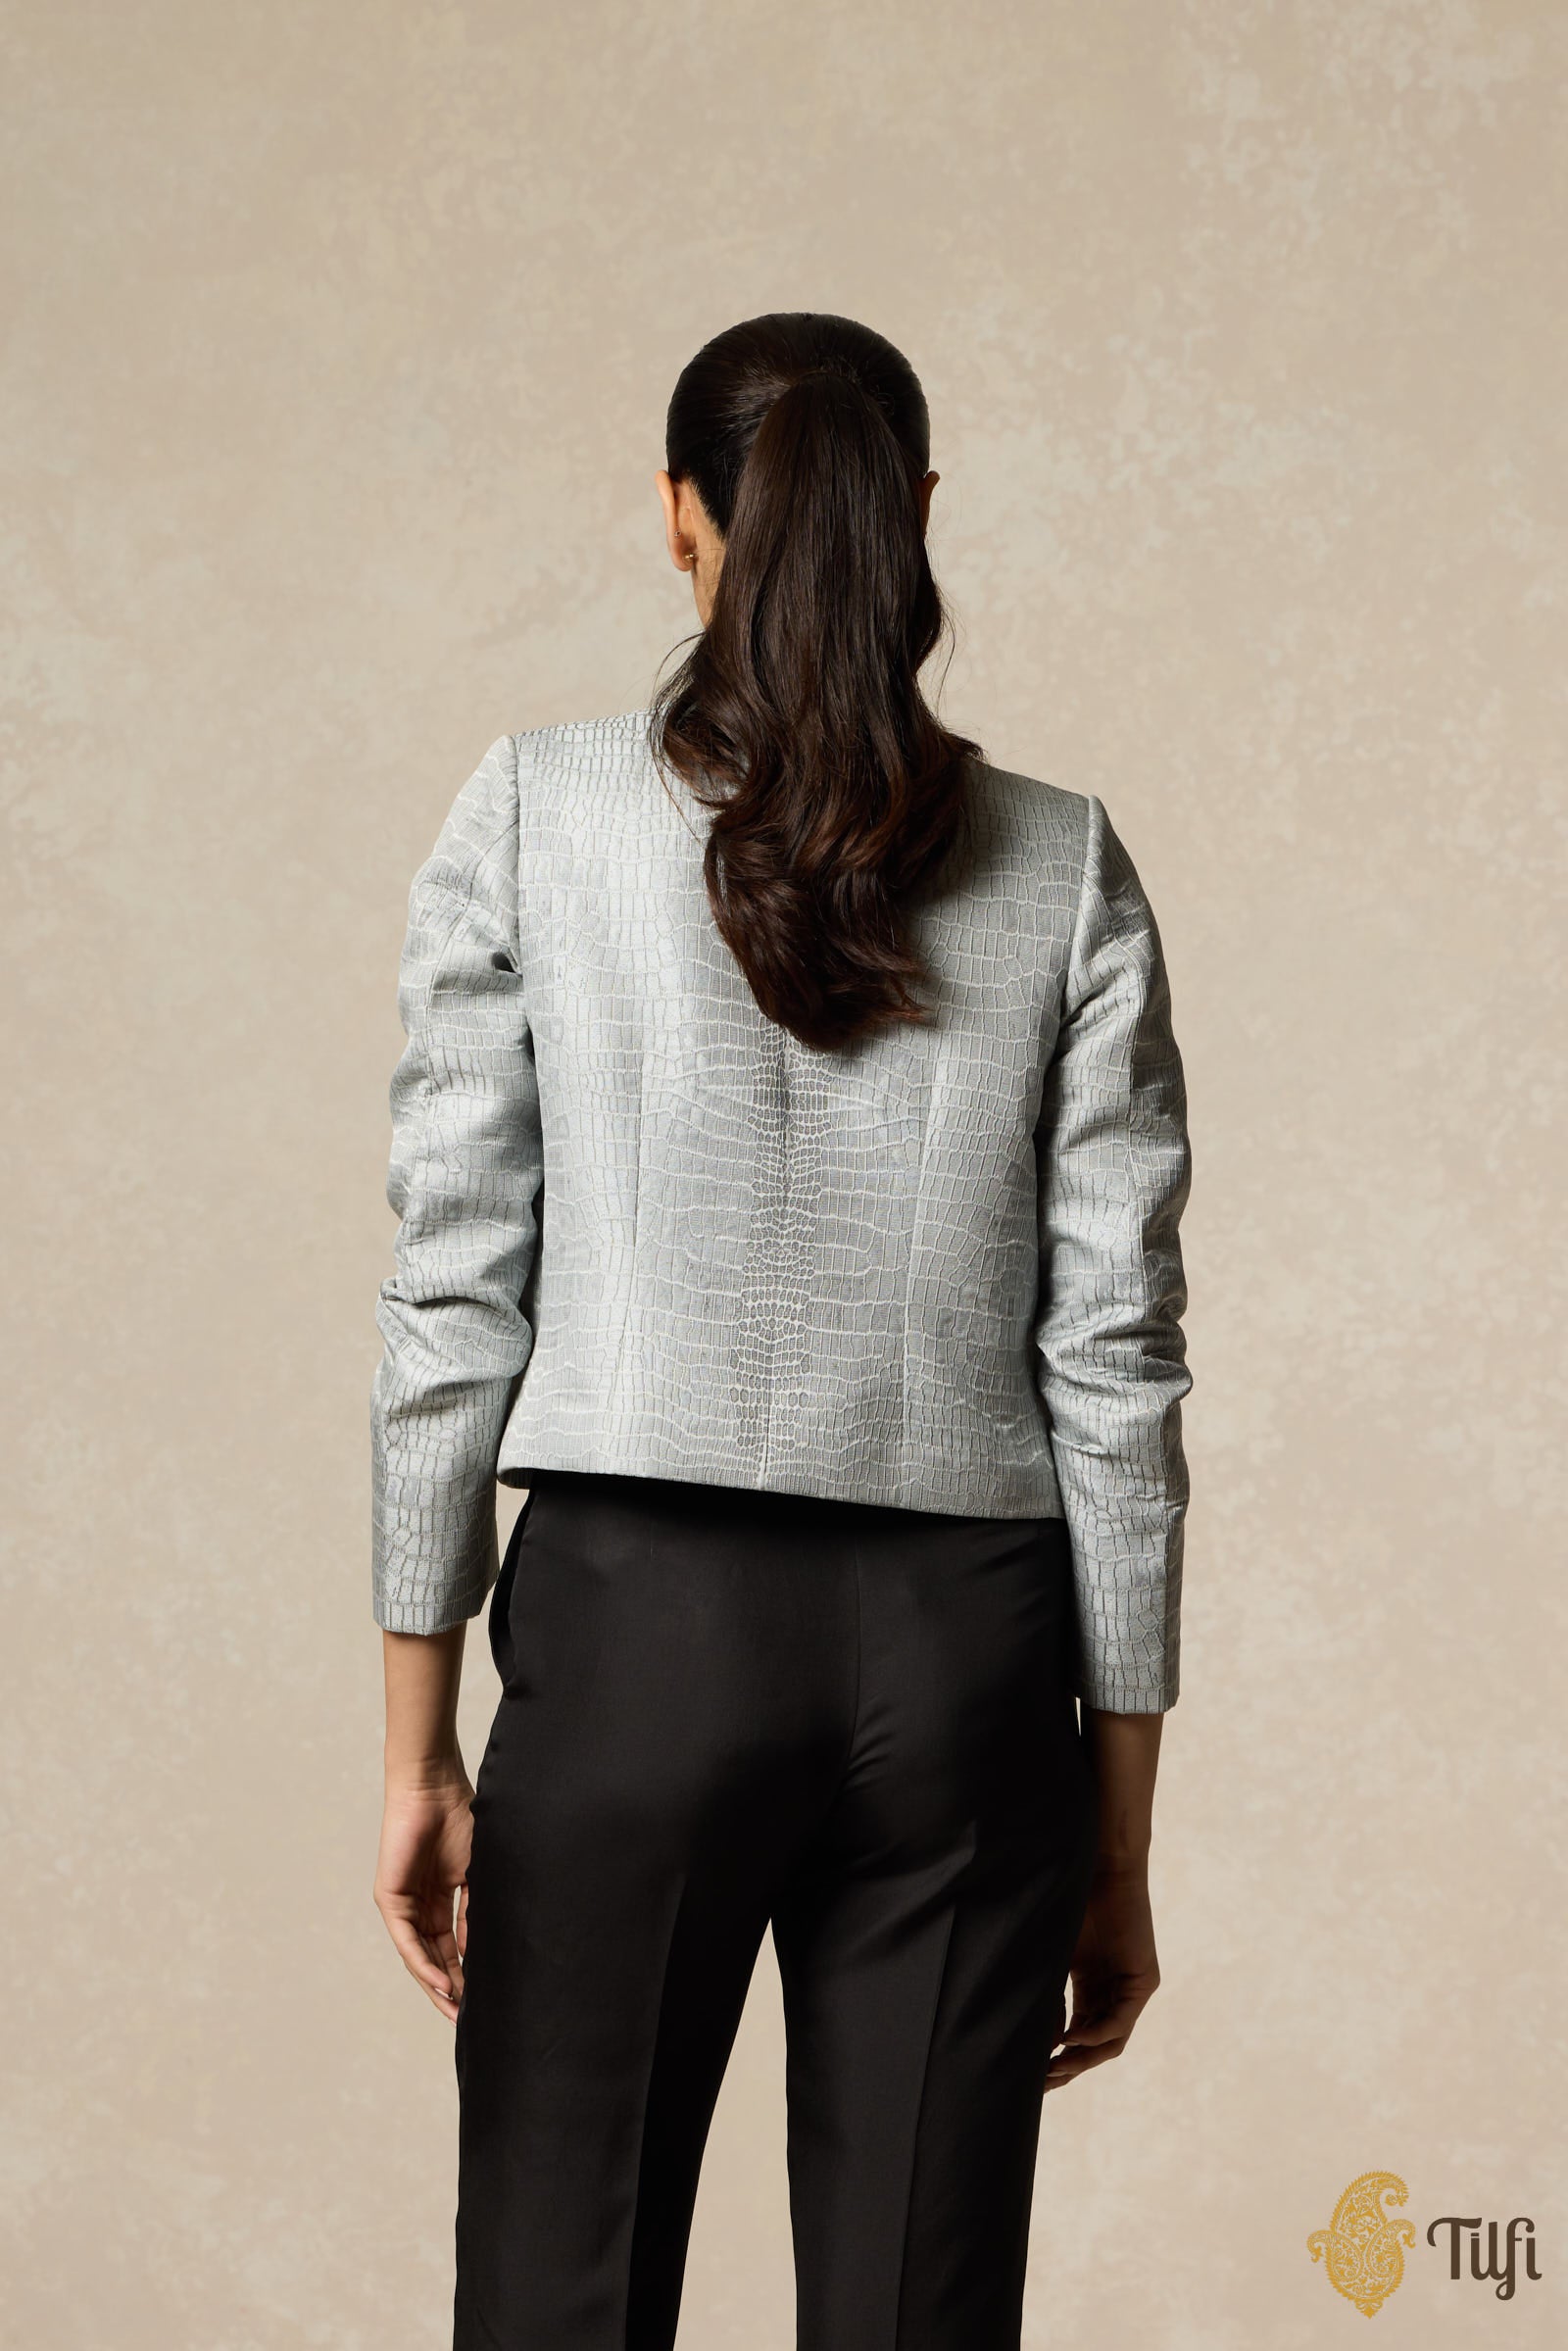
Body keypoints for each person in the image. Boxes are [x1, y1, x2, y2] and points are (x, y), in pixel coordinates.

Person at [368, 310, 1194, 2351]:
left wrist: (416, 1744)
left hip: (635, 1643)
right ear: (915, 513)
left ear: (679, 518)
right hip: (969, 1663)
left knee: (558, 2302)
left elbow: (452, 1299)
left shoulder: (537, 812)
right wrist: (1116, 1833)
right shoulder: (1063, 863)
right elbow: (1115, 1367)